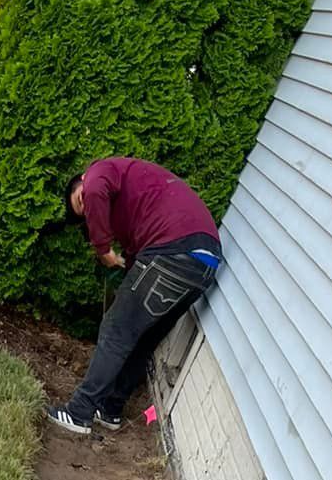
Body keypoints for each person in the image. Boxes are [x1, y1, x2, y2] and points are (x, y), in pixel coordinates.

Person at [47, 157, 222, 437]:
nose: (90, 206)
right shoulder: (134, 201)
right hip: (204, 264)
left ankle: (80, 412)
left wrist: (102, 249)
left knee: (116, 330)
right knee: (143, 337)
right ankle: (110, 409)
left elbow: (93, 189)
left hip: (172, 252)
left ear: (82, 178)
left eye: (82, 202)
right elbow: (136, 258)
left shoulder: (99, 172)